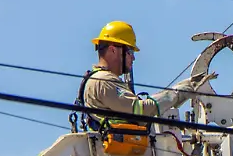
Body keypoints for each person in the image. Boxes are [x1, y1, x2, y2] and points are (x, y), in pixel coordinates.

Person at [76, 20, 215, 131]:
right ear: (113, 50)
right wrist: (177, 93)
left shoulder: (99, 80)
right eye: (130, 51)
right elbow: (140, 111)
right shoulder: (104, 80)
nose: (133, 58)